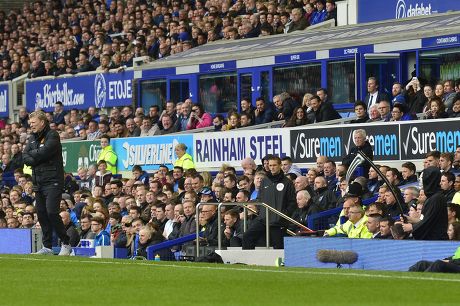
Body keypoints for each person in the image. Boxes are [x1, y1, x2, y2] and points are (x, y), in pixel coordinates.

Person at [22, 111, 71, 255]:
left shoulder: (53, 135)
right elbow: (25, 156)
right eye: (30, 123)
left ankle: (66, 243)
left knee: (51, 212)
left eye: (33, 123)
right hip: (38, 182)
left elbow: (45, 152)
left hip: (53, 181)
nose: (31, 125)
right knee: (42, 214)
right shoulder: (31, 138)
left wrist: (34, 155)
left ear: (42, 122)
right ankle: (47, 247)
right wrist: (35, 155)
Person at [242, 156, 296, 249]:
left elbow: (292, 202)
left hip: (278, 221)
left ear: (280, 166)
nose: (272, 167)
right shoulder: (265, 181)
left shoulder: (287, 182)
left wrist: (283, 215)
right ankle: (248, 262)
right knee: (247, 236)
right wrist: (260, 211)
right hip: (264, 219)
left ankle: (281, 263)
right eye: (270, 165)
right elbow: (260, 198)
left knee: (279, 246)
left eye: (274, 165)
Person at [401, 166, 448, 240]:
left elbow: (429, 221)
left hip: (436, 242)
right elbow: (426, 219)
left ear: (429, 180)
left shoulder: (436, 198)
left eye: (422, 178)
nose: (420, 181)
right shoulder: (432, 197)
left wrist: (412, 227)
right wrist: (410, 219)